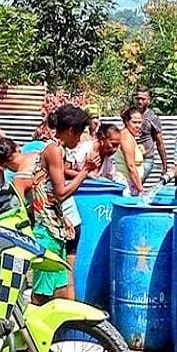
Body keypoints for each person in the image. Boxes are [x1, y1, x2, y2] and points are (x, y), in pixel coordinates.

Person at [34, 105, 100, 302]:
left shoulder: (57, 149)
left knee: (60, 288)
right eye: (79, 134)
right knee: (42, 294)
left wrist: (63, 220)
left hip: (55, 227)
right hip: (46, 230)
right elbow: (61, 193)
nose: (80, 140)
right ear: (71, 130)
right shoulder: (54, 150)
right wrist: (85, 171)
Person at [134, 86, 168, 183]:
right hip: (131, 158)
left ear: (149, 100)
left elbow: (159, 142)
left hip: (146, 159)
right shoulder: (130, 115)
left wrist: (165, 165)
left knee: (137, 183)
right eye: (138, 98)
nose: (140, 101)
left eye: (143, 99)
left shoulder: (152, 118)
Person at [113, 106, 147, 195]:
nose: (137, 126)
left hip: (131, 183)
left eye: (139, 122)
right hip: (126, 184)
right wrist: (140, 188)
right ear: (126, 122)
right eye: (134, 122)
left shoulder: (131, 136)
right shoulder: (127, 137)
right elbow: (131, 166)